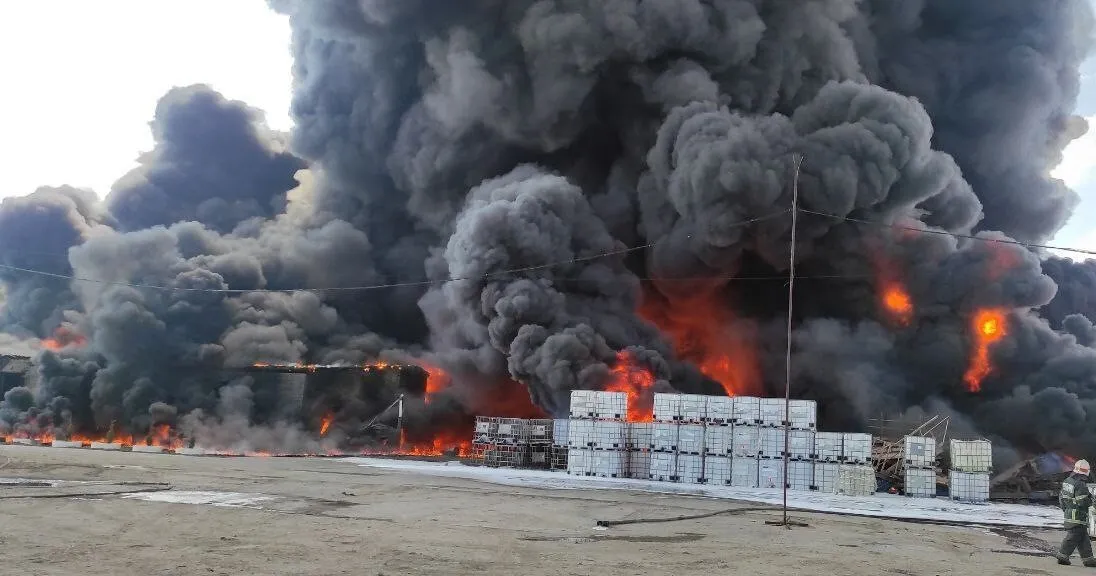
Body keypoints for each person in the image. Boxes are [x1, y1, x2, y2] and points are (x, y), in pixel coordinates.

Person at [1058, 459, 1096, 567]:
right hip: (1078, 516)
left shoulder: (1067, 481)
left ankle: (1088, 560)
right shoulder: (1080, 484)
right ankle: (1062, 555)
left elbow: (1061, 498)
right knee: (1073, 536)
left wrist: (1066, 509)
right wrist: (1091, 499)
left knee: (1083, 538)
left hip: (1069, 513)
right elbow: (1082, 502)